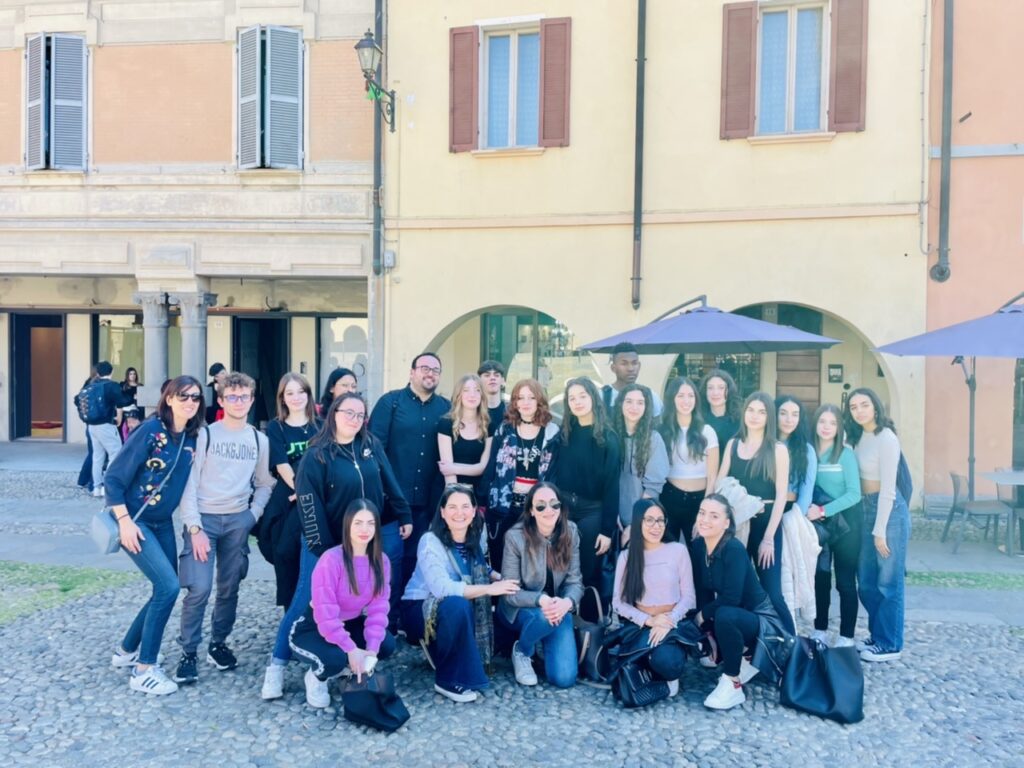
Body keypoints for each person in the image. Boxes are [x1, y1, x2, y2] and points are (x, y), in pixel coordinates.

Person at [263, 392, 411, 700]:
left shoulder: (370, 446)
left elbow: (389, 480)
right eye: (349, 413)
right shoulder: (317, 454)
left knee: (355, 601)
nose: (355, 420)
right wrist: (326, 550)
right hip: (324, 545)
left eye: (361, 415)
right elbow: (308, 504)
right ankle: (276, 665)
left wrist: (403, 511)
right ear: (333, 414)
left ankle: (342, 655)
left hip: (361, 540)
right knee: (306, 600)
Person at [104, 375, 204, 695]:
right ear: (169, 398)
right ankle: (144, 669)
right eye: (184, 396)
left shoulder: (190, 436)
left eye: (196, 397)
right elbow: (114, 478)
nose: (190, 402)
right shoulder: (151, 430)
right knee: (168, 586)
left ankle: (127, 650)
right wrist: (124, 522)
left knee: (163, 588)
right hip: (136, 522)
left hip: (162, 523)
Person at [175, 371, 275, 685]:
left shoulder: (260, 440)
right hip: (203, 519)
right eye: (231, 397)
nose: (238, 401)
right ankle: (188, 650)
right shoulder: (205, 435)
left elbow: (264, 483)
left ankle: (218, 643)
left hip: (237, 521)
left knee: (229, 587)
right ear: (220, 400)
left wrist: (252, 515)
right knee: (199, 588)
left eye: (243, 396)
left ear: (252, 399)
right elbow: (188, 484)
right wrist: (194, 527)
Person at [401, 485, 520, 702]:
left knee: (502, 621)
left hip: (456, 607)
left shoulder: (475, 537)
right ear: (443, 512)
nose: (460, 512)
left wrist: (500, 578)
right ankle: (447, 680)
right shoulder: (430, 541)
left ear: (474, 511)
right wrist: (489, 589)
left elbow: (481, 568)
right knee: (457, 605)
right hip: (420, 609)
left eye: (466, 506)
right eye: (453, 507)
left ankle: (452, 654)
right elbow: (442, 589)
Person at [289, 499, 395, 709]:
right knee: (334, 658)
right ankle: (317, 678)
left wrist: (371, 650)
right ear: (348, 525)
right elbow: (326, 615)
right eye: (358, 523)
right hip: (315, 626)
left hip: (351, 621)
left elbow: (378, 610)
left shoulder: (381, 561)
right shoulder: (331, 559)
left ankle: (347, 668)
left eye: (370, 523)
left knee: (385, 644)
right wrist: (351, 649)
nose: (364, 529)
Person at [692, 494, 791, 710]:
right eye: (702, 513)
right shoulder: (700, 546)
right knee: (713, 614)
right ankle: (746, 657)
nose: (705, 519)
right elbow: (704, 591)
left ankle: (733, 683)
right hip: (739, 615)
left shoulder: (734, 548)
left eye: (714, 516)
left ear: (726, 523)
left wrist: (702, 616)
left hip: (762, 621)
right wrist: (706, 630)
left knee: (724, 614)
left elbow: (731, 598)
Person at [258, 374, 321, 698]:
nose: (296, 397)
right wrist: (302, 490)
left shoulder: (320, 425)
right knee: (284, 553)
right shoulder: (276, 428)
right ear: (283, 397)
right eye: (289, 393)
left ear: (308, 395)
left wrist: (310, 493)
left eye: (301, 392)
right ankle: (291, 615)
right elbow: (282, 464)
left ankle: (309, 620)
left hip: (313, 498)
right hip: (290, 496)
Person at [369, 352, 451, 590]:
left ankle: (410, 619)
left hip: (429, 503)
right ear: (412, 372)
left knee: (418, 562)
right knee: (389, 563)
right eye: (425, 367)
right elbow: (375, 450)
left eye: (436, 370)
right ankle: (387, 621)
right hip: (392, 503)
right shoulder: (390, 403)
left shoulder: (446, 408)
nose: (430, 373)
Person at [716, 392, 794, 634]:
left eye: (761, 411)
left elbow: (782, 495)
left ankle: (792, 646)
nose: (755, 416)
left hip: (765, 525)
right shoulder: (733, 444)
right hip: (738, 525)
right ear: (744, 412)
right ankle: (745, 647)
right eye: (751, 410)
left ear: (768, 416)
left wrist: (769, 538)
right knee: (735, 590)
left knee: (772, 591)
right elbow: (720, 485)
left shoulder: (777, 449)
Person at [844, 388, 909, 662]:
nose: (859, 411)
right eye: (854, 407)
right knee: (867, 582)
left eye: (864, 405)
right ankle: (877, 635)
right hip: (864, 509)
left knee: (888, 581)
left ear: (876, 407)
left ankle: (890, 643)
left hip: (889, 512)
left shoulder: (887, 438)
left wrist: (880, 529)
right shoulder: (857, 437)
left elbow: (888, 489)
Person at [499, 483, 583, 689]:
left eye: (554, 504)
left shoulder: (570, 531)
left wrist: (567, 602)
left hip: (557, 609)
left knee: (564, 679)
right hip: (521, 609)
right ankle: (523, 650)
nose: (549, 510)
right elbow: (510, 592)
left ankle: (542, 639)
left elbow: (575, 582)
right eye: (541, 506)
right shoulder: (515, 537)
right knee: (543, 616)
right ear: (530, 511)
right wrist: (541, 600)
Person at [612, 499, 695, 697]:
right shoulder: (627, 556)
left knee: (668, 662)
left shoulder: (678, 550)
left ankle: (664, 671)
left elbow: (689, 597)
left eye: (660, 520)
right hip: (642, 624)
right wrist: (649, 620)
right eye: (649, 520)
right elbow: (618, 602)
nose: (655, 526)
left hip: (672, 623)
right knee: (631, 662)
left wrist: (668, 621)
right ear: (638, 522)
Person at [478, 378, 560, 573]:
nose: (525, 402)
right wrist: (482, 500)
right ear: (514, 402)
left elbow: (554, 474)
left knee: (532, 562)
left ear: (539, 401)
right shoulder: (505, 429)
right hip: (503, 506)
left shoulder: (551, 432)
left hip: (535, 509)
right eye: (520, 398)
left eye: (531, 397)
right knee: (500, 560)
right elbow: (491, 466)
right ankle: (500, 603)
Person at [555, 377, 620, 592]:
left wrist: (607, 530)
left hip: (592, 510)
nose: (578, 402)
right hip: (563, 507)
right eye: (572, 398)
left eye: (583, 396)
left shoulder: (608, 438)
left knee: (588, 566)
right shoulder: (564, 433)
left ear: (593, 398)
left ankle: (589, 617)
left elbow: (612, 486)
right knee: (559, 564)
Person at [808, 403, 862, 648]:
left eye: (832, 423)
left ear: (839, 427)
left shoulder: (845, 454)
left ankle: (846, 636)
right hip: (819, 526)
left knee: (845, 582)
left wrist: (823, 510)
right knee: (820, 579)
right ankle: (819, 630)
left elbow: (854, 494)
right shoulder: (809, 453)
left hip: (846, 526)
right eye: (822, 422)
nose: (826, 427)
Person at [659, 377, 719, 546]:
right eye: (680, 396)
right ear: (672, 399)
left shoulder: (707, 431)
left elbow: (713, 476)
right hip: (669, 497)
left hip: (699, 500)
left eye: (691, 396)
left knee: (698, 552)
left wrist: (704, 511)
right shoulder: (662, 431)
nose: (686, 401)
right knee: (667, 550)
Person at [612, 384, 669, 546]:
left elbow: (653, 487)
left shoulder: (653, 439)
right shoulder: (610, 437)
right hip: (612, 515)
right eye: (629, 401)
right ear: (620, 404)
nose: (634, 407)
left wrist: (635, 524)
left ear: (647, 407)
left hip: (644, 518)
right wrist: (611, 515)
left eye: (640, 402)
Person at [437, 374, 492, 495]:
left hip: (479, 492)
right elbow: (448, 472)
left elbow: (483, 467)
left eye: (477, 390)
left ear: (482, 395)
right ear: (458, 395)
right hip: (450, 491)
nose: (472, 395)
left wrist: (454, 467)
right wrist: (456, 500)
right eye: (466, 390)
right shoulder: (446, 423)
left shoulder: (489, 425)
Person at [84, 361, 125, 498]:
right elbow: (121, 402)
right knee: (116, 453)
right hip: (106, 425)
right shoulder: (112, 386)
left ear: (98, 373)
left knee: (97, 457)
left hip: (91, 425)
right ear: (111, 372)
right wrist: (119, 417)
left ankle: (97, 488)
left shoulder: (91, 385)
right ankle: (109, 485)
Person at [600, 342, 663, 417]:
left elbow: (659, 424)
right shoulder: (602, 396)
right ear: (613, 368)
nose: (630, 368)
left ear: (639, 366)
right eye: (624, 364)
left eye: (634, 363)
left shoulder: (650, 396)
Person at [700, 369, 742, 449]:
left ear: (729, 390)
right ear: (705, 391)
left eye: (721, 388)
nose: (715, 393)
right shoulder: (698, 420)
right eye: (710, 388)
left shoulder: (740, 420)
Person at [478, 360, 507, 430]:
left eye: (496, 375)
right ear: (479, 381)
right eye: (487, 375)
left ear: (503, 381)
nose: (492, 378)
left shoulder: (511, 412)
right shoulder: (473, 411)